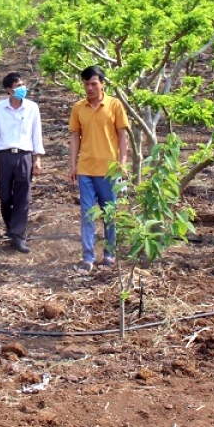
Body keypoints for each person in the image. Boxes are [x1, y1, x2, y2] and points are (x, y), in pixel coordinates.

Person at [68, 65, 129, 272]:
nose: (90, 88)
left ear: (102, 83)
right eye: (86, 84)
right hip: (86, 168)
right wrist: (73, 164)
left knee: (109, 213)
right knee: (87, 213)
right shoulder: (78, 107)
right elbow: (75, 136)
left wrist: (123, 161)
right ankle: (87, 257)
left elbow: (122, 135)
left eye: (94, 83)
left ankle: (110, 254)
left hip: (109, 169)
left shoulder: (115, 105)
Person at [0, 72, 44, 253]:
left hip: (24, 156)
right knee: (4, 195)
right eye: (17, 86)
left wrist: (38, 159)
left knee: (23, 196)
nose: (22, 89)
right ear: (8, 90)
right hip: (4, 156)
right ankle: (11, 227)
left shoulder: (32, 108)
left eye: (22, 84)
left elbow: (37, 134)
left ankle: (18, 235)